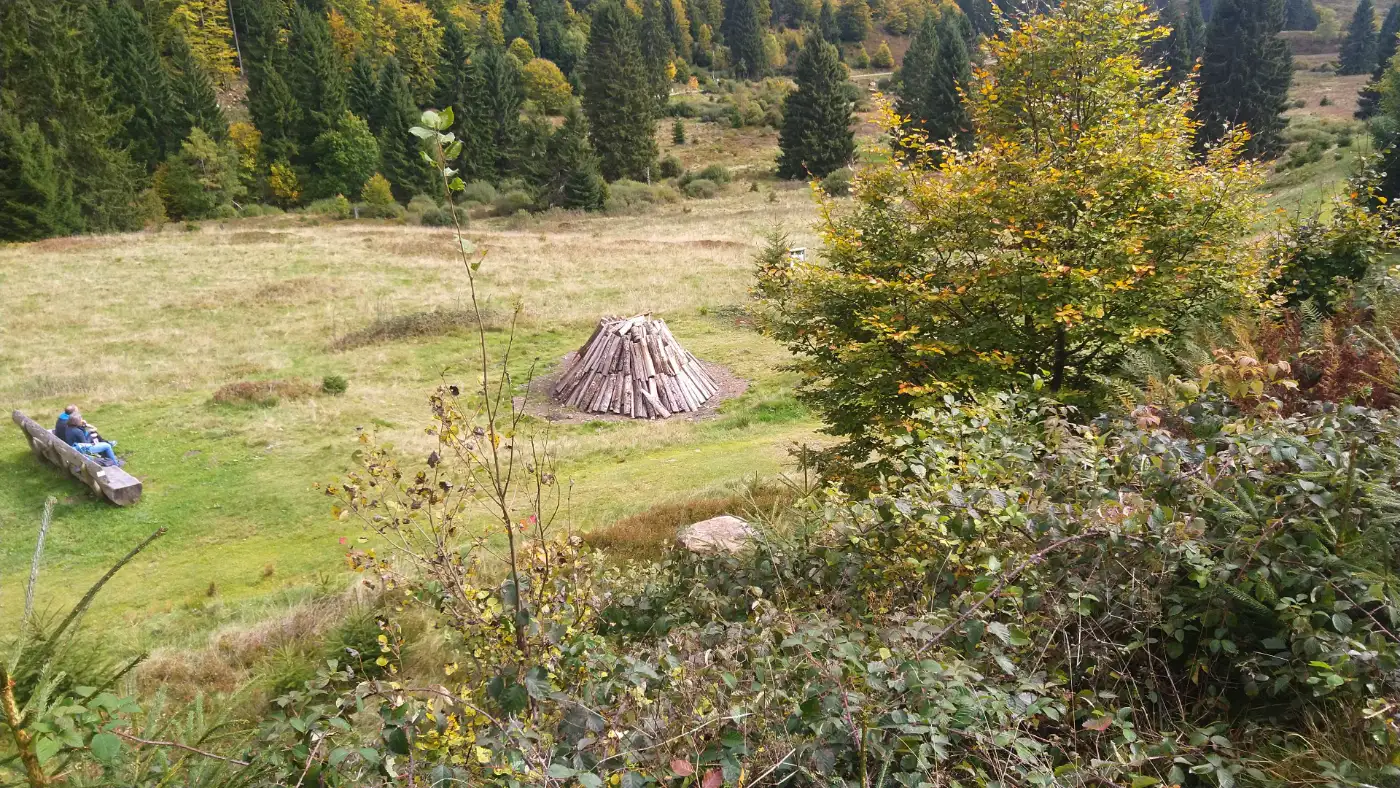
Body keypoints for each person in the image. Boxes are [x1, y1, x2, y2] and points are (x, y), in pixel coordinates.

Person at [56, 409, 121, 466]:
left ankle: (106, 454)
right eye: (80, 419)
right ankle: (115, 463)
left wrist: (84, 426)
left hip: (75, 448)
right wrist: (90, 435)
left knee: (95, 436)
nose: (82, 420)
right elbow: (86, 443)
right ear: (77, 422)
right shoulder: (78, 432)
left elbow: (81, 437)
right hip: (82, 451)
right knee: (107, 446)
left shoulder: (68, 427)